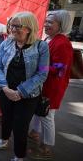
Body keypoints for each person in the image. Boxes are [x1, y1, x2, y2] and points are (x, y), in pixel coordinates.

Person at [0, 11, 49, 161]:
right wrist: (5, 88)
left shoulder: (41, 47)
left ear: (28, 28)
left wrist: (20, 92)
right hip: (6, 90)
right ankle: (4, 140)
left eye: (17, 26)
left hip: (28, 95)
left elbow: (42, 73)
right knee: (6, 118)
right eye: (11, 25)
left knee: (20, 126)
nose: (12, 29)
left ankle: (19, 156)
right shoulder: (6, 43)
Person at [29, 10, 73, 160]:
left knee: (47, 116)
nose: (46, 24)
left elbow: (60, 69)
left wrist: (37, 67)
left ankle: (47, 148)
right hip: (43, 83)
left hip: (53, 86)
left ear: (61, 25)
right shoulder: (50, 38)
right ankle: (35, 133)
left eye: (50, 22)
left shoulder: (63, 43)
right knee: (38, 109)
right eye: (46, 21)